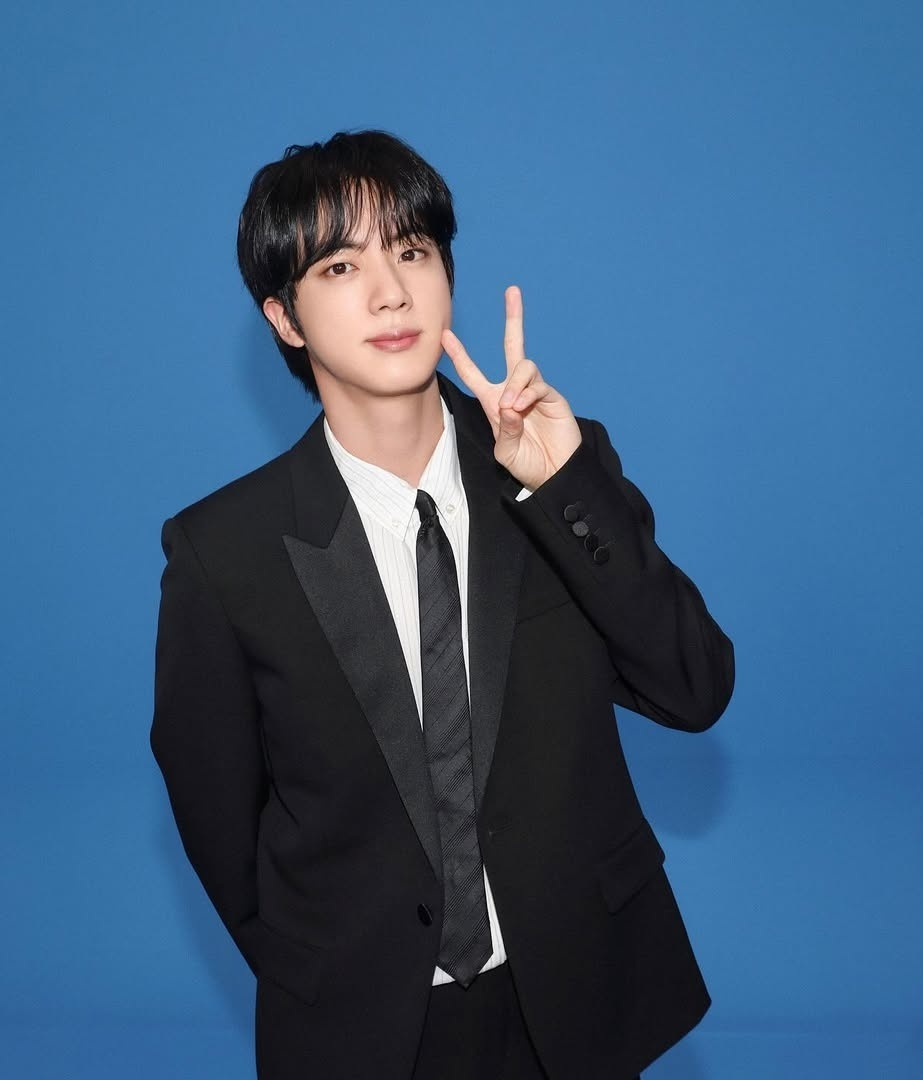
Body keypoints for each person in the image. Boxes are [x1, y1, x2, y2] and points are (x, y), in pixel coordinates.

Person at [151, 130, 734, 1080]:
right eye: (341, 266)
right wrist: (326, 968)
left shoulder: (554, 473)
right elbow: (219, 819)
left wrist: (562, 490)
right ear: (284, 319)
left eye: (412, 251)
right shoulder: (224, 552)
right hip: (366, 1023)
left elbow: (695, 687)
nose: (391, 293)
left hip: (577, 1002)